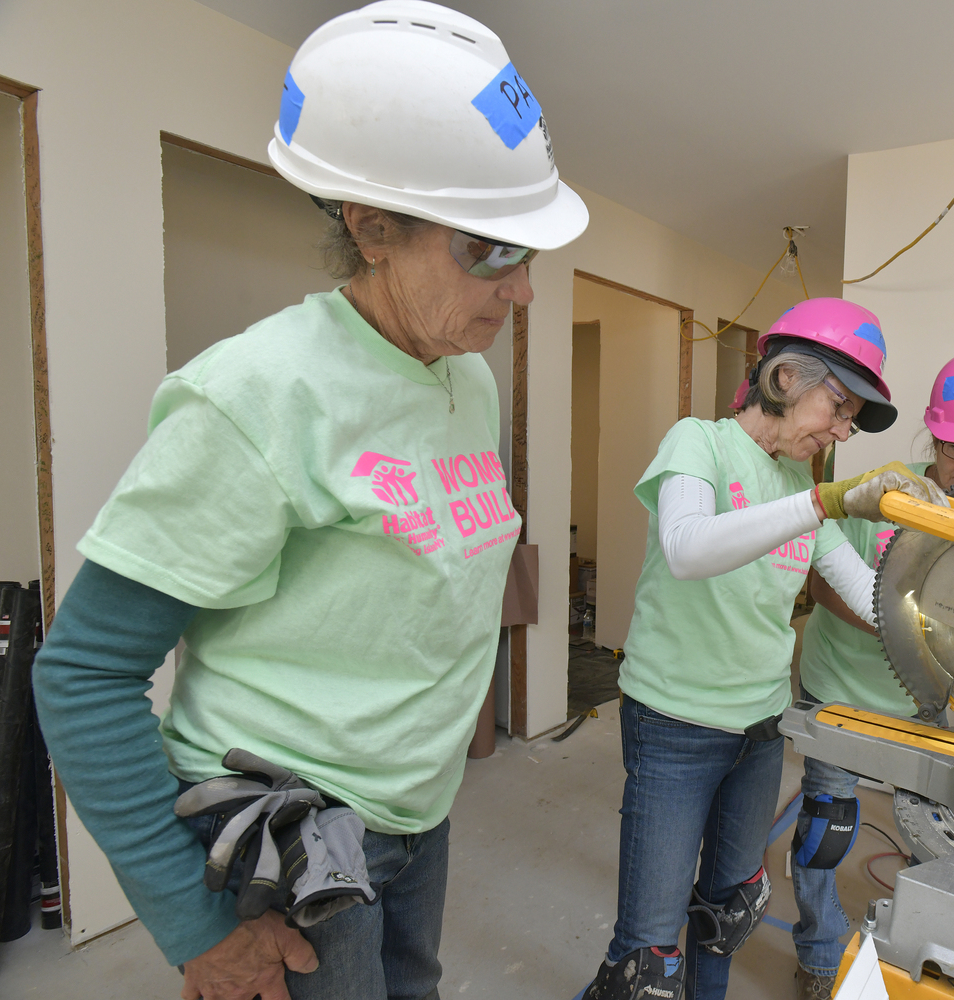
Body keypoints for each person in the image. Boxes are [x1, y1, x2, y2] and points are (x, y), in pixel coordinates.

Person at [31, 5, 587, 1000]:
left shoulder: (468, 377)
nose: (523, 290)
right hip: (286, 845)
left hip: (414, 816)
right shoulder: (258, 396)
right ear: (373, 229)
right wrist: (190, 923)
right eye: (490, 251)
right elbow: (82, 674)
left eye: (528, 251)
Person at [583, 299, 951, 1000]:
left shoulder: (799, 485)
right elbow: (687, 548)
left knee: (728, 911)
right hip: (675, 728)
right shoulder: (699, 443)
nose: (841, 431)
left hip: (759, 728)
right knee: (648, 951)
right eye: (839, 408)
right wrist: (826, 503)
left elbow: (868, 595)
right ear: (785, 377)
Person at [789, 348, 954, 999]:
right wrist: (903, 624)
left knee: (940, 834)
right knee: (826, 826)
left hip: (938, 704)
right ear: (935, 438)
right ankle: (819, 950)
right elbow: (821, 575)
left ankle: (930, 951)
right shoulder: (886, 491)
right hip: (843, 685)